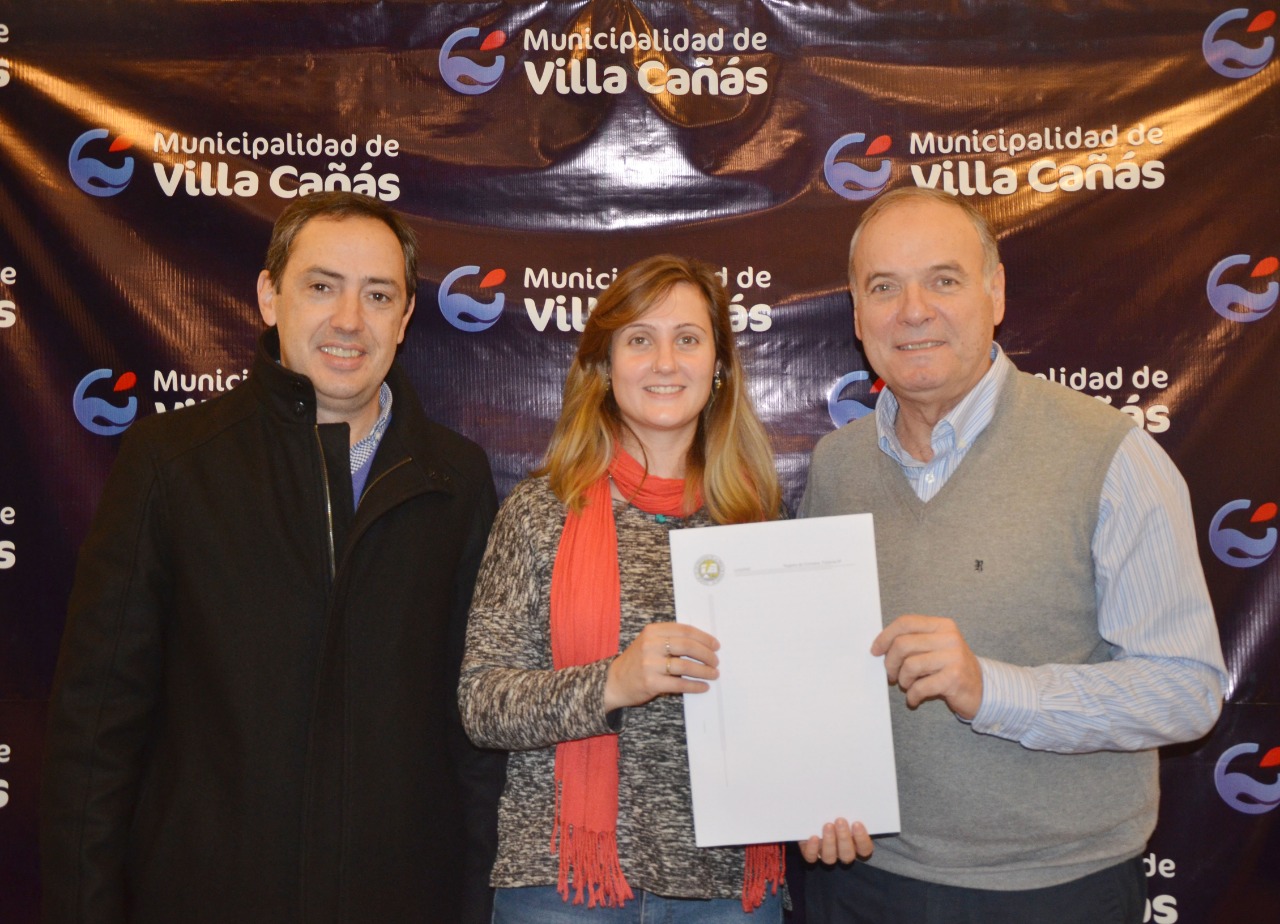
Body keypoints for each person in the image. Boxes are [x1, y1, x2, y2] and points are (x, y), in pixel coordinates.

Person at [41, 191, 505, 924]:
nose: (349, 320)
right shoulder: (172, 465)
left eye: (377, 295)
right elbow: (98, 730)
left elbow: (475, 738)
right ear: (268, 295)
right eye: (321, 286)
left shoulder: (456, 479)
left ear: (405, 317)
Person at [799, 186, 1228, 924]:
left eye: (943, 279)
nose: (913, 311)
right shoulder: (837, 466)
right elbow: (814, 669)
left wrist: (993, 690)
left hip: (1054, 891)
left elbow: (1187, 691)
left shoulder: (1110, 456)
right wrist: (811, 789)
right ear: (858, 314)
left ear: (994, 293)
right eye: (884, 287)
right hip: (865, 883)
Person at [459, 255, 837, 922]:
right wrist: (613, 682)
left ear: (718, 367)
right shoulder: (541, 511)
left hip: (726, 892)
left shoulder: (759, 522)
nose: (665, 362)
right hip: (564, 889)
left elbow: (798, 706)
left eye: (687, 338)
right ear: (605, 367)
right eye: (639, 339)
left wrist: (820, 800)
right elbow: (482, 703)